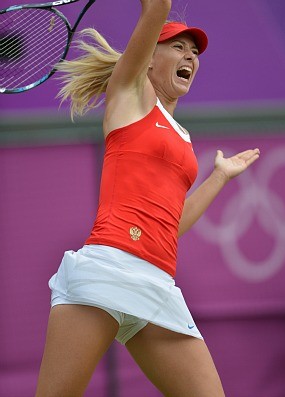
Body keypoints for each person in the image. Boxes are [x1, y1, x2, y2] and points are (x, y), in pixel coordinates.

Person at [35, 1, 260, 396]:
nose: (189, 54)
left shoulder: (182, 137)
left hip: (157, 286)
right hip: (104, 273)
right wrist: (159, 10)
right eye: (177, 46)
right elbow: (156, 7)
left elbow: (170, 226)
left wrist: (219, 178)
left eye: (193, 51)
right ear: (148, 59)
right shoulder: (129, 94)